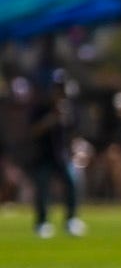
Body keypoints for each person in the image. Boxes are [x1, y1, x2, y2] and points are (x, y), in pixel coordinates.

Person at [21, 70, 82, 237]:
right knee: (42, 188)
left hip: (62, 156)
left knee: (72, 182)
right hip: (44, 156)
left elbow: (74, 133)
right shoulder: (40, 109)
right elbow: (32, 132)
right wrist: (51, 119)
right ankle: (42, 222)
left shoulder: (69, 109)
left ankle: (71, 220)